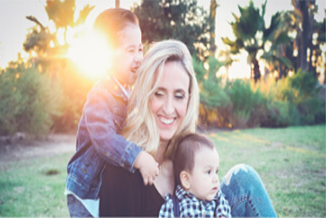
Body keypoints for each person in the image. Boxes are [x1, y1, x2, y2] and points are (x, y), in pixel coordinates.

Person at [99, 39, 277, 217]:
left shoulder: (186, 156)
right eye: (159, 94)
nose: (169, 109)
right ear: (145, 95)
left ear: (189, 100)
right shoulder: (122, 173)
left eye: (179, 96)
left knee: (243, 178)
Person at [65, 8, 159, 217]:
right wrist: (138, 157)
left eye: (140, 49)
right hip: (86, 189)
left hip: (105, 187)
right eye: (130, 51)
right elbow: (104, 139)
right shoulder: (100, 95)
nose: (138, 58)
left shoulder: (130, 92)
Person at [159, 133, 231, 217]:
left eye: (216, 171)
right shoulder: (172, 206)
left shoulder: (217, 198)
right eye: (208, 172)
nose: (216, 179)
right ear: (186, 179)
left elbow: (225, 210)